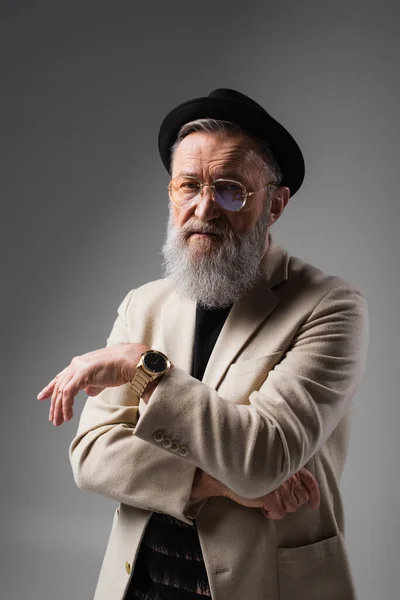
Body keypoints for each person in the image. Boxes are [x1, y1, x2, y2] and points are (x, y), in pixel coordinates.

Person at [37, 88, 369, 600]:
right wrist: (222, 483)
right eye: (187, 185)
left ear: (275, 205)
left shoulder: (331, 306)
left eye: (230, 189)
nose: (204, 208)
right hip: (140, 584)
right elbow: (93, 457)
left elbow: (263, 456)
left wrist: (142, 368)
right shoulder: (141, 304)